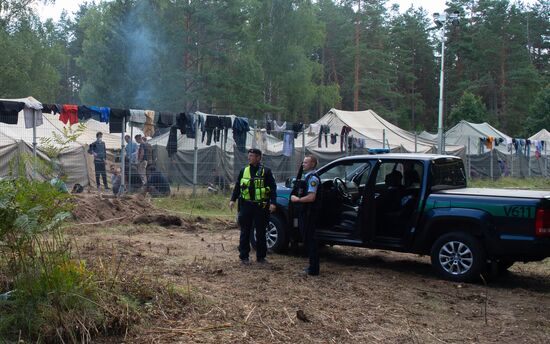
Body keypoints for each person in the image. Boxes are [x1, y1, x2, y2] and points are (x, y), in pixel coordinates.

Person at [229, 148, 277, 265]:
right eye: (249, 155)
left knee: (261, 232)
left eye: (252, 156)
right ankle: (244, 256)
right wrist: (232, 199)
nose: (249, 157)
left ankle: (261, 257)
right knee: (245, 231)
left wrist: (273, 202)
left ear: (258, 158)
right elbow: (238, 186)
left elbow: (273, 188)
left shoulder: (266, 171)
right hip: (246, 205)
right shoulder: (243, 170)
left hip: (261, 206)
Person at [290, 155, 320, 276]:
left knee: (310, 240)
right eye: (303, 163)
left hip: (309, 214)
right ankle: (312, 266)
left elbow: (312, 197)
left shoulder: (313, 179)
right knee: (308, 240)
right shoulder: (307, 177)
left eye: (306, 163)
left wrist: (298, 199)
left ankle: (313, 269)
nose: (303, 164)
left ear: (313, 164)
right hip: (306, 213)